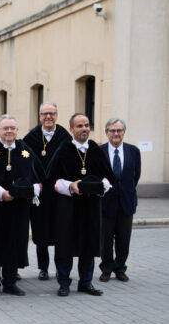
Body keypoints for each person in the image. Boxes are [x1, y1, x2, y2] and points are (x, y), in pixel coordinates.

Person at [47, 113, 115, 297]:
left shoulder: (95, 149)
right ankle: (64, 283)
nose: (84, 129)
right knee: (65, 246)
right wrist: (70, 186)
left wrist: (102, 186)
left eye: (86, 125)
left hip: (91, 207)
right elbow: (51, 179)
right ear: (71, 129)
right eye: (79, 126)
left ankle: (86, 283)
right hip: (68, 208)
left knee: (89, 244)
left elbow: (109, 177)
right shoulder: (63, 150)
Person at [0, 115, 42, 297]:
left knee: (14, 244)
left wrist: (29, 190)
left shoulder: (25, 151)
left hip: (18, 208)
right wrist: (0, 194)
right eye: (5, 128)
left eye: (12, 128)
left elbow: (39, 176)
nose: (9, 131)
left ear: (17, 130)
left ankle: (10, 282)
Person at [23, 102, 71, 280]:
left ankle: (61, 267)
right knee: (40, 230)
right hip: (40, 193)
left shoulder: (65, 136)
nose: (48, 117)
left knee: (61, 231)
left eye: (52, 113)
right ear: (40, 116)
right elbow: (25, 161)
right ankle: (43, 267)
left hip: (59, 192)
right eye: (45, 114)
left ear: (57, 115)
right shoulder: (32, 137)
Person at [99, 118, 141, 282]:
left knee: (124, 239)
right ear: (106, 132)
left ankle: (120, 268)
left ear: (124, 132)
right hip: (106, 203)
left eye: (119, 130)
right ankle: (107, 268)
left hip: (126, 202)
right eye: (112, 130)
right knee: (106, 239)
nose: (116, 134)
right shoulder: (99, 151)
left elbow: (135, 175)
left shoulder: (133, 151)